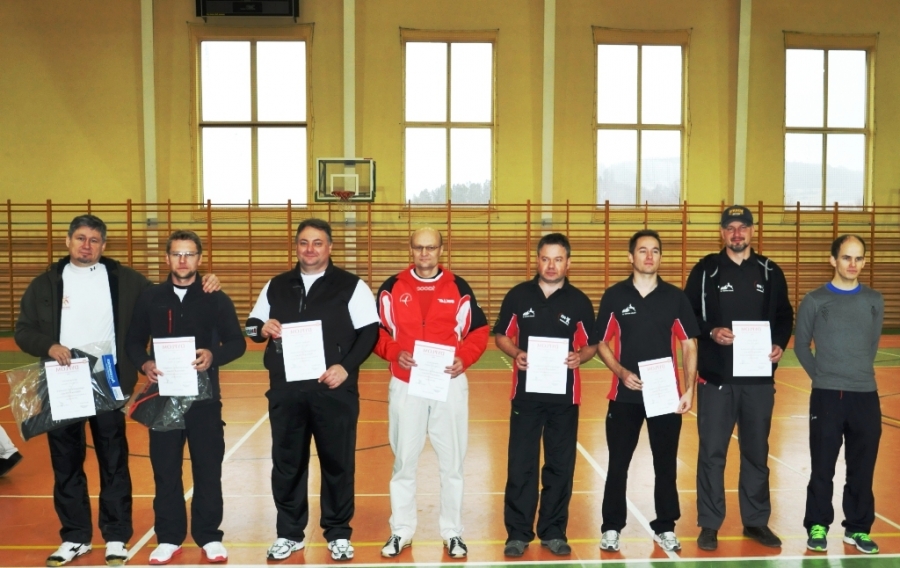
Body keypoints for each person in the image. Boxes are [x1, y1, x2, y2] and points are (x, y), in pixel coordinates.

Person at [15, 214, 219, 567]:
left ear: (104, 245)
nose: (87, 246)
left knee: (113, 461)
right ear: (68, 241)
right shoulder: (45, 283)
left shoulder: (126, 280)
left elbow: (170, 291)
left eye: (94, 240)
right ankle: (75, 537)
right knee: (66, 463)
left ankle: (116, 536)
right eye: (81, 238)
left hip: (107, 382)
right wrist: (49, 345)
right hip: (63, 382)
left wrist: (206, 282)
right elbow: (23, 331)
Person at [245, 218, 379, 562]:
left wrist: (344, 367)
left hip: (334, 391)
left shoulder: (351, 286)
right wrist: (263, 329)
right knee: (287, 465)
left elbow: (369, 332)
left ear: (329, 247)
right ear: (296, 247)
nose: (310, 249)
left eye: (318, 243)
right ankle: (289, 534)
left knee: (338, 464)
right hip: (287, 392)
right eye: (304, 242)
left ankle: (338, 533)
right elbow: (251, 326)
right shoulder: (277, 285)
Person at [125, 230, 246, 564]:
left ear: (199, 258)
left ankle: (209, 536)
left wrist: (213, 355)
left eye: (189, 254)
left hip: (205, 403)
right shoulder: (151, 298)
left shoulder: (215, 297)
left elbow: (237, 342)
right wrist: (144, 363)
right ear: (167, 258)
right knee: (165, 471)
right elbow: (133, 341)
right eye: (176, 254)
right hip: (163, 398)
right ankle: (169, 537)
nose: (182, 260)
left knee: (208, 470)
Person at [373, 228, 489, 559]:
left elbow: (479, 331)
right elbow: (377, 332)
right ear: (410, 250)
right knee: (404, 461)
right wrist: (394, 351)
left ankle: (453, 532)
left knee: (452, 462)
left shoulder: (458, 287)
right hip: (406, 383)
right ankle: (401, 530)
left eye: (431, 247)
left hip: (448, 383)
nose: (424, 253)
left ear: (441, 250)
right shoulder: (392, 287)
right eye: (419, 247)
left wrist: (464, 358)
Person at [684, 205, 793, 551]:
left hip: (758, 381)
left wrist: (779, 343)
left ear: (752, 231)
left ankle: (756, 521)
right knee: (712, 453)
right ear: (721, 232)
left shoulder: (770, 271)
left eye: (742, 227)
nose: (736, 233)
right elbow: (687, 314)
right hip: (716, 380)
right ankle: (709, 523)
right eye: (730, 228)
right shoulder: (705, 270)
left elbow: (784, 314)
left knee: (756, 453)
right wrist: (710, 331)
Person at [591, 230, 699, 553]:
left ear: (661, 257)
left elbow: (689, 344)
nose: (649, 256)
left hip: (665, 397)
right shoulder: (614, 296)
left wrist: (689, 389)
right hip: (624, 397)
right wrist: (621, 372)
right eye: (642, 250)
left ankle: (665, 527)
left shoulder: (675, 298)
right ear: (631, 256)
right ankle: (611, 527)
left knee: (665, 466)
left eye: (655, 251)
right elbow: (601, 342)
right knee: (618, 464)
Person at [493, 233, 596, 558]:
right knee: (521, 465)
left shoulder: (579, 301)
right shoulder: (518, 295)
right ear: (537, 260)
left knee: (560, 466)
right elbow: (501, 335)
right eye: (545, 259)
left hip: (564, 399)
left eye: (558, 259)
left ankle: (553, 531)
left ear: (568, 263)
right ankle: (518, 533)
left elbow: (591, 345)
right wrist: (516, 353)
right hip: (526, 397)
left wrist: (580, 357)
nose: (551, 265)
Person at [794, 235, 884, 555]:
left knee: (862, 467)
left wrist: (856, 373)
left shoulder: (874, 300)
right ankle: (817, 525)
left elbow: (872, 344)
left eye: (858, 258)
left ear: (864, 261)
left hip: (865, 396)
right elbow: (800, 346)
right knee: (823, 466)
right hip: (827, 396)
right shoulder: (815, 300)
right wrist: (823, 376)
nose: (852, 264)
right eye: (846, 257)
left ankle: (857, 528)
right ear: (833, 260)